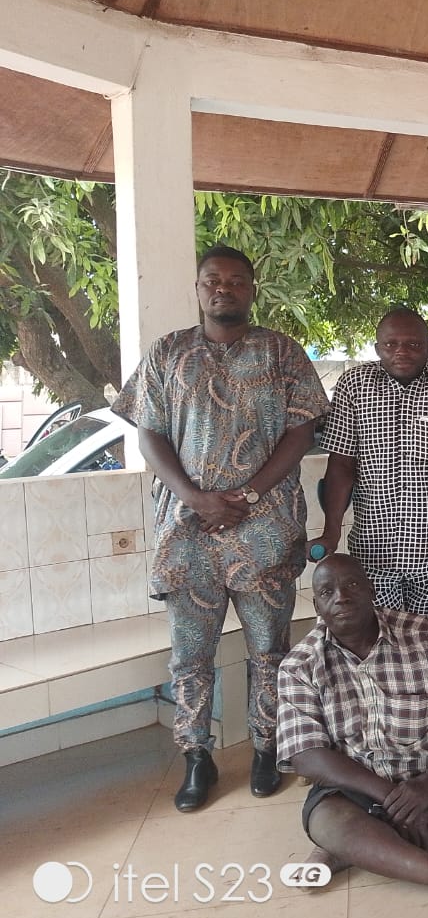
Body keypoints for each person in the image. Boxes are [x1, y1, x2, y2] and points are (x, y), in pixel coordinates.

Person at [112, 245, 328, 811]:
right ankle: (196, 756)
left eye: (236, 280)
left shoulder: (282, 353)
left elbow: (302, 432)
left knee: (270, 649)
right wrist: (195, 497)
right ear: (199, 287)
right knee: (190, 653)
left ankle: (267, 747)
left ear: (252, 289)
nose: (223, 288)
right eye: (213, 280)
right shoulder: (167, 353)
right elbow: (148, 433)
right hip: (188, 532)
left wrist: (250, 493)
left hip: (266, 529)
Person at [276, 554, 428, 918]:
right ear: (317, 606)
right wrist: (392, 798)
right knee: (327, 821)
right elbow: (306, 755)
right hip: (358, 787)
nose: (341, 597)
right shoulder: (299, 665)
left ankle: (357, 847)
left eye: (352, 585)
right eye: (327, 592)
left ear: (371, 590)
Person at [310, 308, 428, 630]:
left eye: (413, 344)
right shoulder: (354, 384)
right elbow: (341, 466)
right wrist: (331, 531)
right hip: (371, 549)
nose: (401, 352)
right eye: (391, 344)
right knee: (376, 637)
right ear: (377, 348)